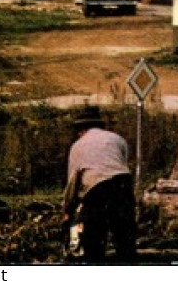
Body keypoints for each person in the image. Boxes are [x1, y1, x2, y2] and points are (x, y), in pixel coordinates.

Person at [63, 107, 136, 263]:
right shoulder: (117, 139)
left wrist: (68, 208)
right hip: (123, 183)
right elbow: (121, 163)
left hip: (97, 189)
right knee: (124, 235)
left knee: (94, 238)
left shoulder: (77, 146)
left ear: (81, 129)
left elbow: (73, 181)